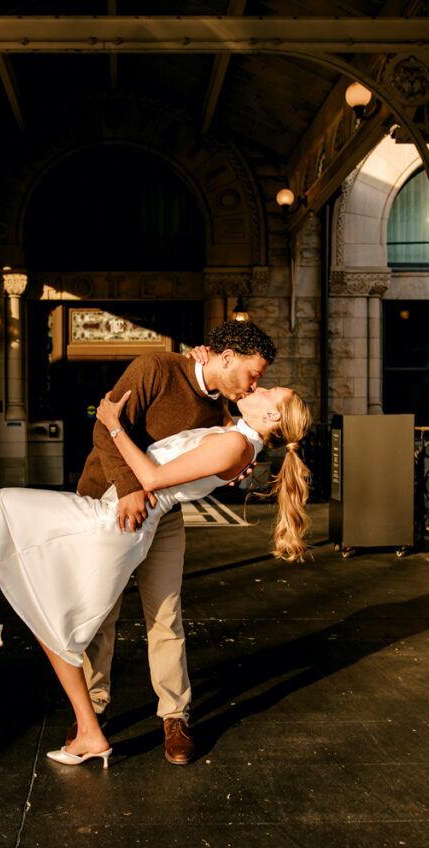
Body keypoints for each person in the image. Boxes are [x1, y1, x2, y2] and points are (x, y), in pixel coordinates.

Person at [0, 397, 313, 771]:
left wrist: (112, 422)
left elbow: (150, 478)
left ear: (272, 415)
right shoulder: (239, 439)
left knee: (10, 523)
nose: (258, 387)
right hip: (118, 517)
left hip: (115, 522)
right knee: (11, 534)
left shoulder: (236, 445)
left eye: (268, 391)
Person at [72, 320, 276, 764]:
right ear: (226, 357)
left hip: (163, 518)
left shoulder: (225, 407)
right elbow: (104, 427)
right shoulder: (155, 369)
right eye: (252, 374)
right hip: (106, 505)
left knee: (166, 613)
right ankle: (94, 710)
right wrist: (128, 490)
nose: (255, 384)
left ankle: (175, 716)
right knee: (100, 611)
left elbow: (218, 455)